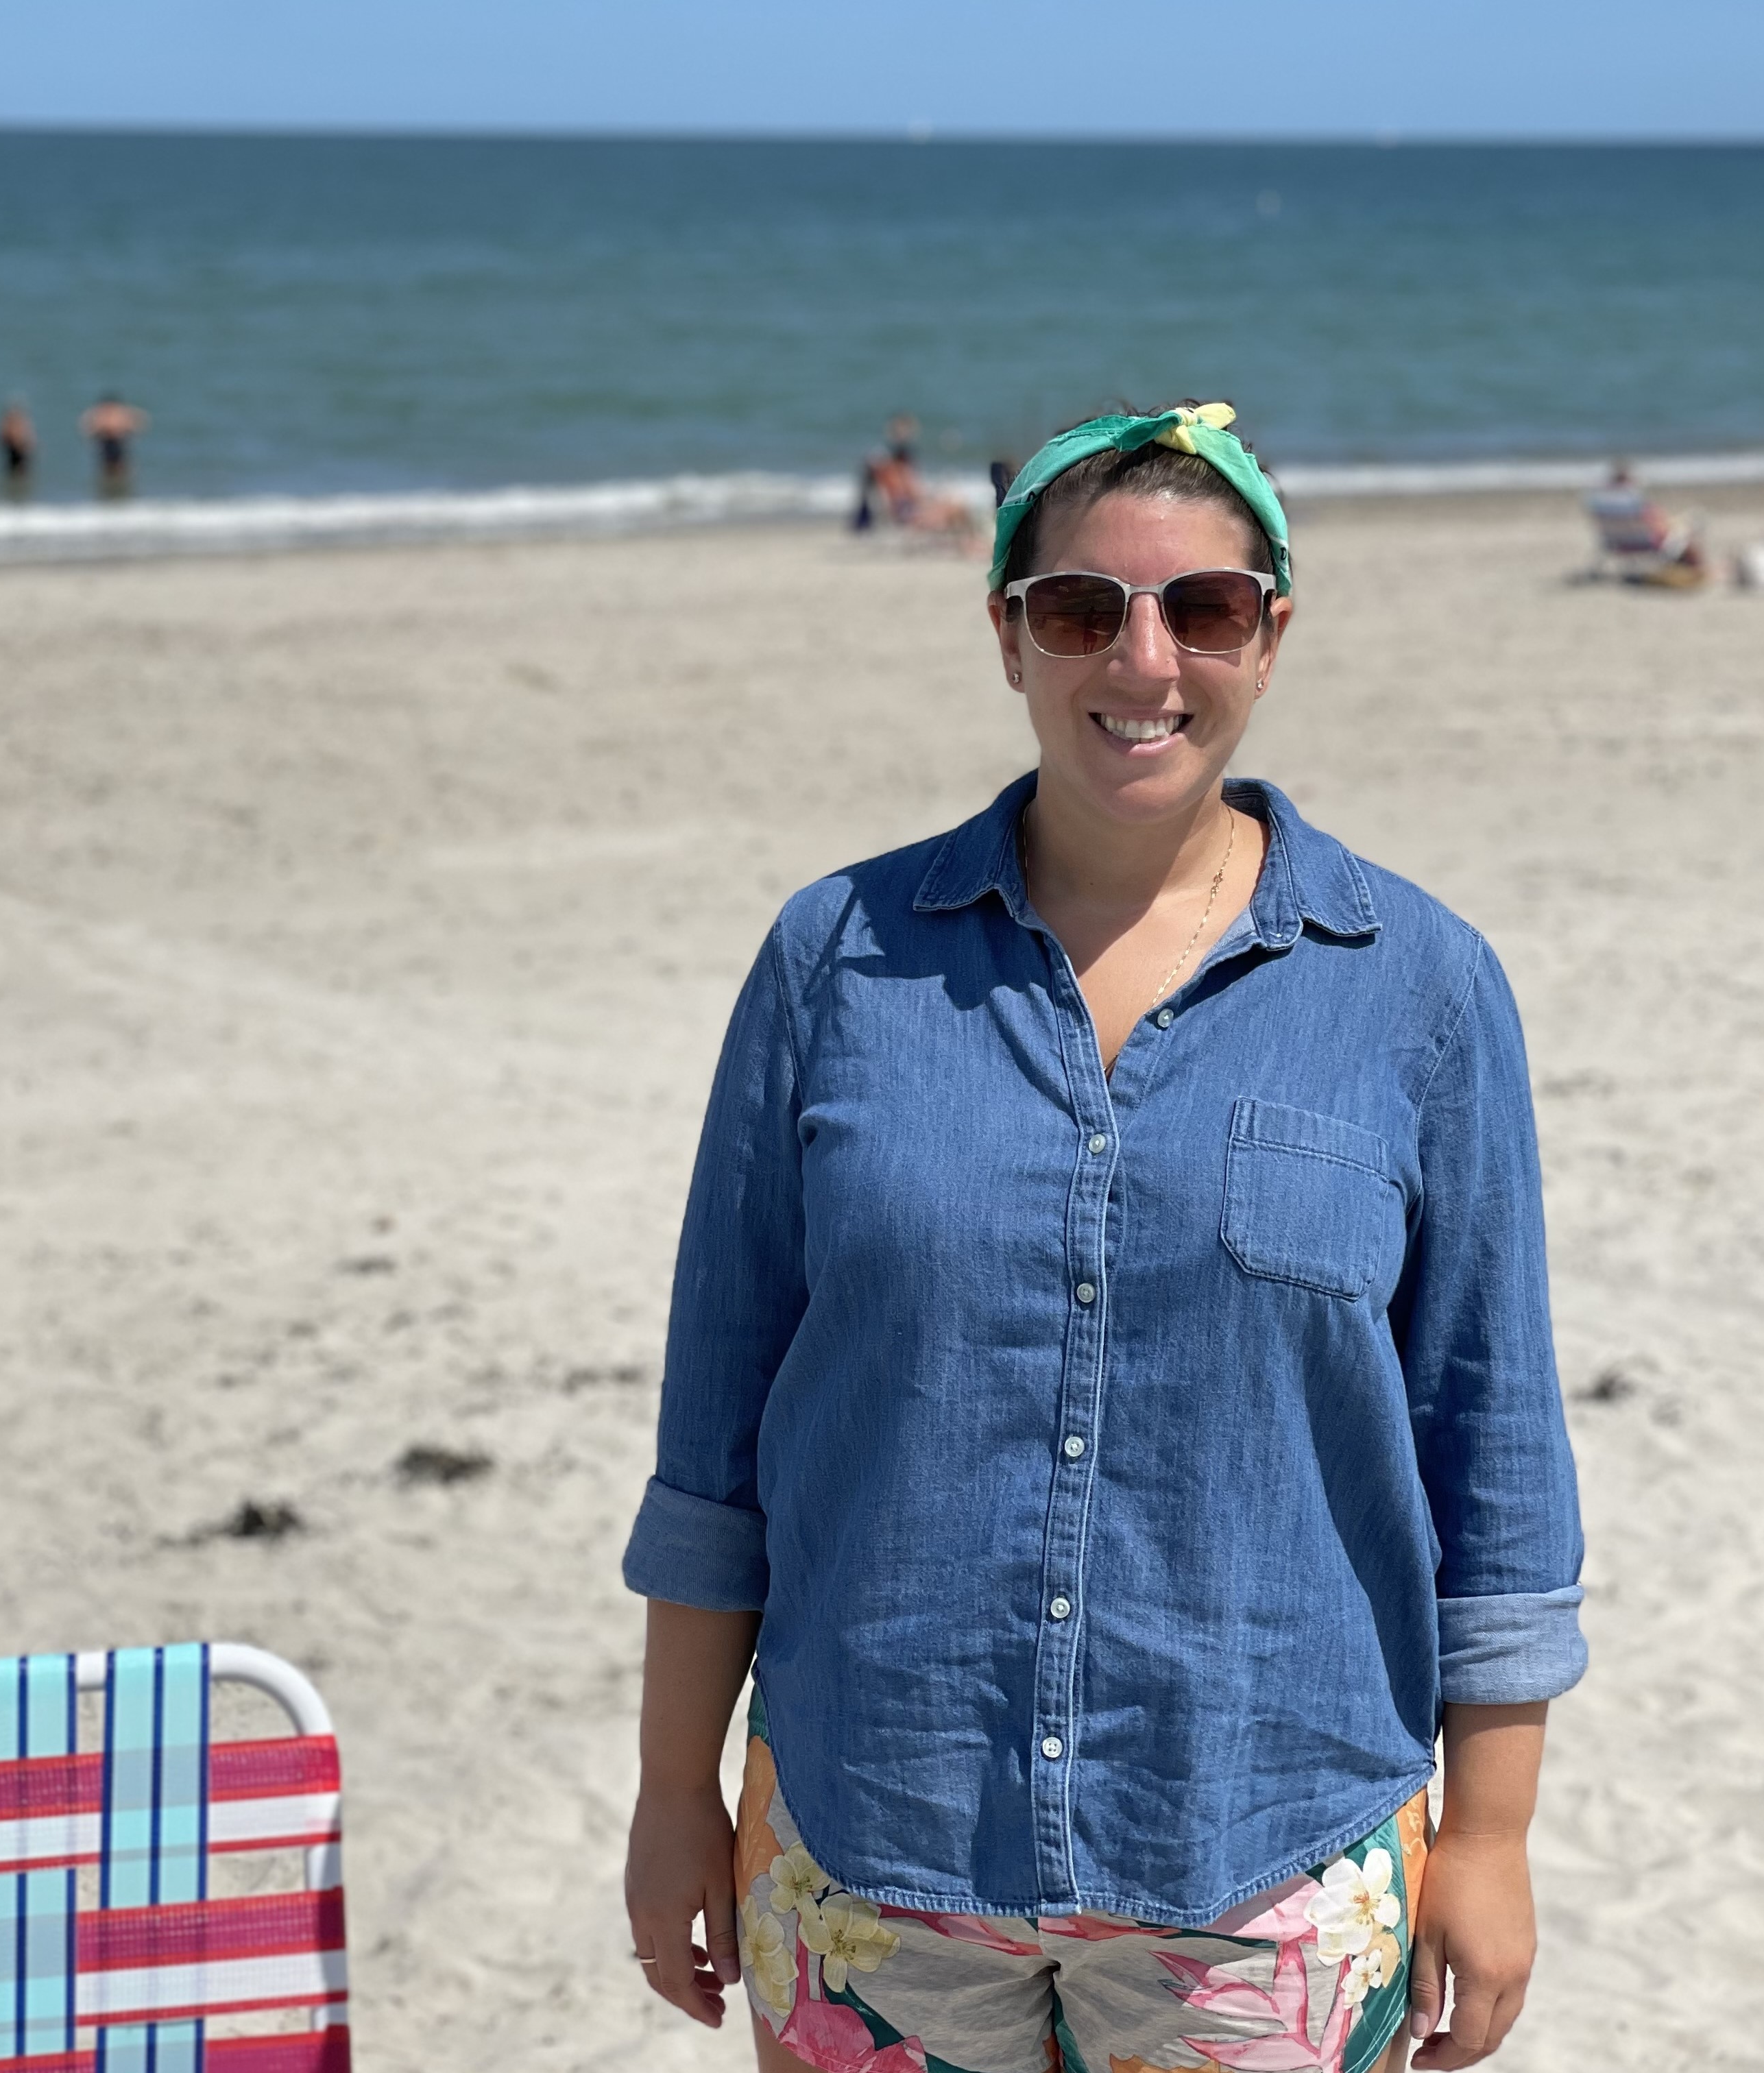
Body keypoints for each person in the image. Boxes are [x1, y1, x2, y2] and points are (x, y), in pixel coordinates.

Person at [624, 400, 1586, 2073]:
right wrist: (667, 1791)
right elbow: (717, 1440)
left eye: (1202, 607)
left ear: (1269, 636)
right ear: (1008, 636)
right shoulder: (834, 959)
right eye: (1082, 609)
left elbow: (1489, 1444)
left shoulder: (1421, 989)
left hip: (1274, 1856)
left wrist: (1493, 1836)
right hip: (868, 1846)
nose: (1144, 660)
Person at [853, 413, 977, 545]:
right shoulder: (892, 466)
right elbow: (910, 495)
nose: (906, 434)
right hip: (910, 515)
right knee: (957, 507)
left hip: (910, 511)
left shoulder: (893, 463)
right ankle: (972, 543)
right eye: (903, 431)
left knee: (955, 504)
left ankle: (971, 542)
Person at [1583, 461, 1704, 585]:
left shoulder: (1600, 505)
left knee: (1680, 527)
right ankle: (1693, 569)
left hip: (1614, 542)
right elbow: (1657, 524)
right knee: (1687, 527)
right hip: (1647, 542)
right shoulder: (1633, 504)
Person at [79, 392, 149, 498]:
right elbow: (87, 428)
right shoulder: (99, 414)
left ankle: (123, 493)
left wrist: (127, 431)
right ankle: (111, 494)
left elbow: (141, 421)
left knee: (121, 469)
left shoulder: (121, 412)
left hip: (118, 443)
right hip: (106, 443)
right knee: (108, 470)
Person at [0, 398, 36, 499]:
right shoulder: (9, 422)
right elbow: (1, 436)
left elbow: (30, 438)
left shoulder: (19, 422)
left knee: (20, 474)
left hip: (20, 452)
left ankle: (18, 498)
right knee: (14, 473)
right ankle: (14, 498)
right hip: (13, 452)